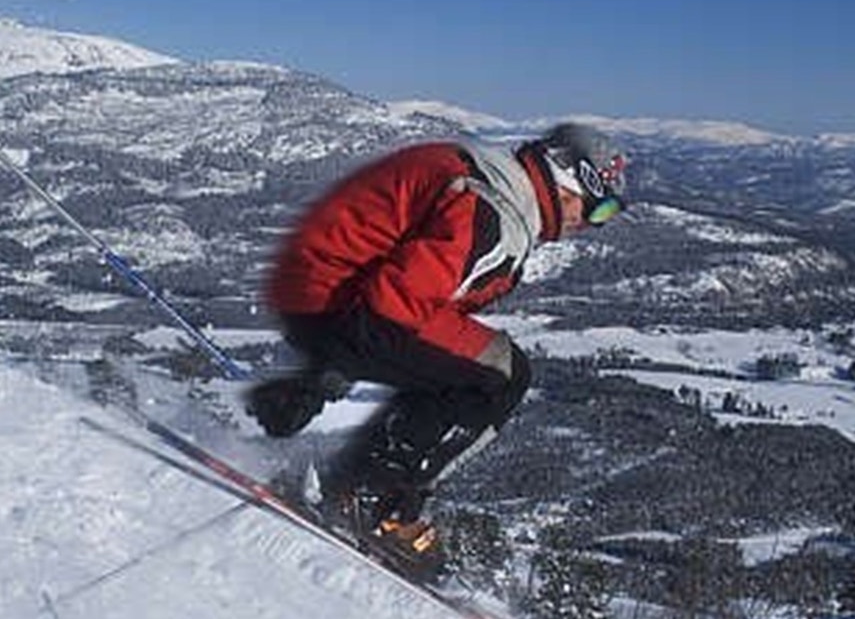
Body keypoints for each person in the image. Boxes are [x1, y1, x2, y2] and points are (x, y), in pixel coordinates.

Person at [245, 123, 628, 571]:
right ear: (567, 181)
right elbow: (391, 309)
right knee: (503, 374)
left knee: (459, 363)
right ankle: (371, 498)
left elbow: (411, 301)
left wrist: (323, 372)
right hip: (331, 298)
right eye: (599, 209)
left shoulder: (495, 177)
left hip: (322, 285)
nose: (591, 225)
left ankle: (360, 483)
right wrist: (325, 375)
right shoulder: (495, 211)